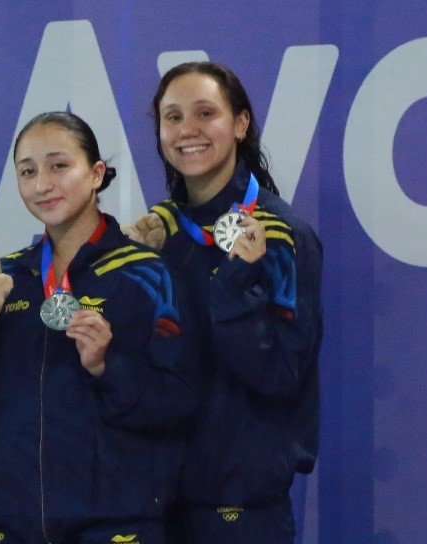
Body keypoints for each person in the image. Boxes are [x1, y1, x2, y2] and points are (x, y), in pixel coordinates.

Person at [0, 111, 199, 544]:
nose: (42, 184)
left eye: (59, 165)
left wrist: (106, 367)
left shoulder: (147, 275)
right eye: (28, 171)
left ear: (96, 173)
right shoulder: (4, 281)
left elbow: (179, 401)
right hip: (16, 521)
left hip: (114, 523)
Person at [125, 61, 323, 544]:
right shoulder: (157, 234)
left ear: (240, 124)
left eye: (205, 113)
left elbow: (281, 374)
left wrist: (234, 286)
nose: (186, 130)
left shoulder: (280, 236)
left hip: (240, 507)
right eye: (172, 117)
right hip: (154, 501)